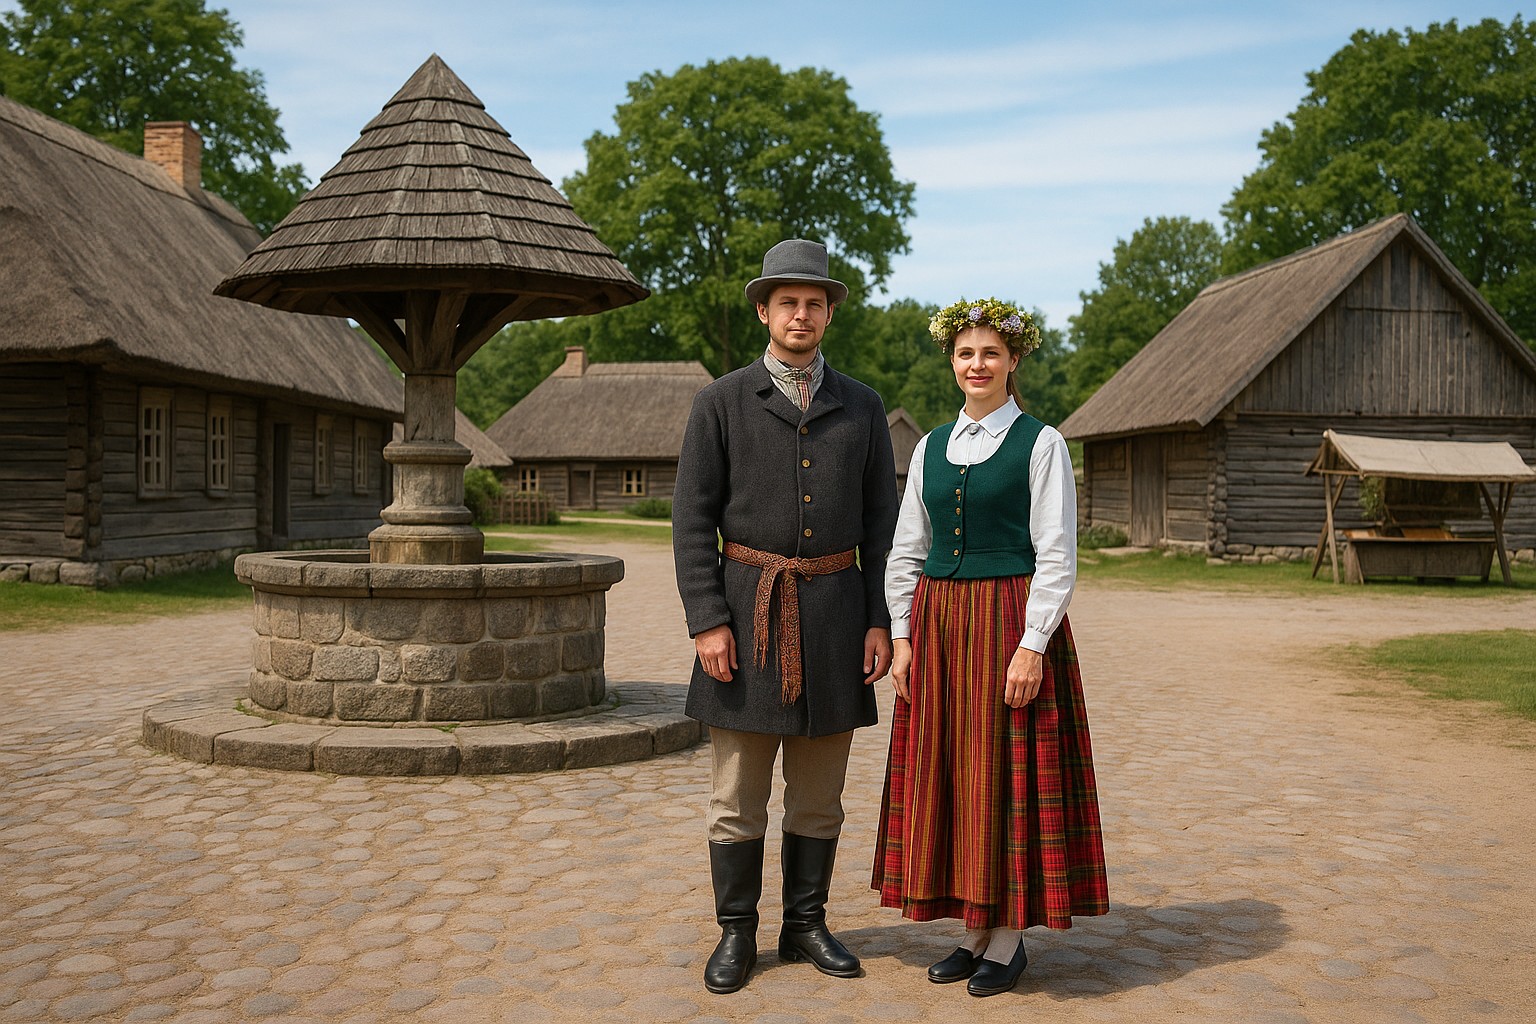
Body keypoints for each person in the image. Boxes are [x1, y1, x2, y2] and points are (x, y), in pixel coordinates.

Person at [673, 238, 899, 995]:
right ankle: (736, 932)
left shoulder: (863, 406)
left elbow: (882, 523)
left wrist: (880, 621)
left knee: (819, 792)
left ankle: (804, 924)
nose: (801, 315)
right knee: (736, 794)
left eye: (815, 302)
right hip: (745, 618)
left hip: (836, 619)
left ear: (830, 312)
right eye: (787, 303)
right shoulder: (721, 402)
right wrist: (707, 619)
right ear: (765, 311)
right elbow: (690, 518)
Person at [871, 297, 1109, 998]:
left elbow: (1057, 553)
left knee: (1002, 773)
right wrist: (905, 634)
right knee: (951, 771)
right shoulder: (929, 446)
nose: (977, 365)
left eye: (990, 354)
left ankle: (1008, 940)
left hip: (1007, 619)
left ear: (1013, 362)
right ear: (953, 363)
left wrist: (1033, 645)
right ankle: (972, 930)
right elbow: (906, 547)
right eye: (965, 354)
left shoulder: (1042, 443)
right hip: (941, 627)